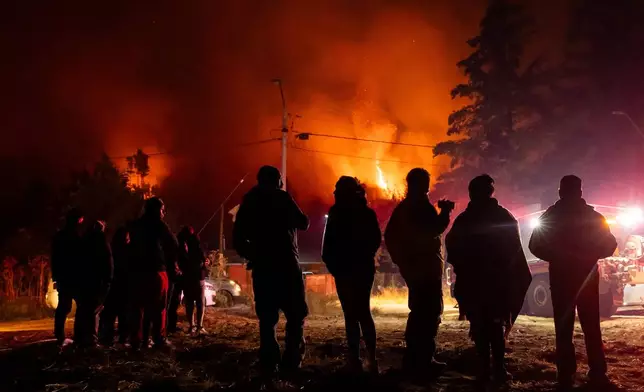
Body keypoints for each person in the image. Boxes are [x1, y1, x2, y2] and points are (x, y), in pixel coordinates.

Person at [529, 175, 617, 388]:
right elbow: (610, 245)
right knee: (591, 326)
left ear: (560, 192)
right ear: (580, 192)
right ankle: (597, 372)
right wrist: (589, 256)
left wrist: (557, 257)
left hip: (561, 277)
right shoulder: (594, 217)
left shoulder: (550, 216)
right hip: (587, 278)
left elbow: (534, 245)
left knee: (563, 327)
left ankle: (565, 375)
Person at [446, 175, 532, 384]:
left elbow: (453, 248)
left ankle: (485, 369)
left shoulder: (465, 219)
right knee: (496, 325)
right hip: (497, 284)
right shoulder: (504, 217)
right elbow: (514, 252)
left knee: (480, 326)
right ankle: (498, 369)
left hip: (475, 284)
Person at [233, 165, 309, 379]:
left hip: (264, 268)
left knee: (267, 317)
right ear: (277, 180)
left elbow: (238, 238)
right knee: (296, 313)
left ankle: (269, 360)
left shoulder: (250, 201)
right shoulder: (282, 198)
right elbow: (303, 223)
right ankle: (292, 359)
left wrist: (254, 255)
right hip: (286, 266)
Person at [384, 168, 455, 376]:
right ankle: (423, 360)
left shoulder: (403, 208)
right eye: (426, 182)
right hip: (426, 270)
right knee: (430, 313)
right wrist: (445, 212)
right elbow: (435, 229)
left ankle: (415, 358)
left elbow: (390, 237)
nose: (428, 186)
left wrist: (403, 262)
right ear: (421, 184)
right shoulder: (420, 207)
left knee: (418, 313)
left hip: (416, 270)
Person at [322, 176, 381, 373]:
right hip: (362, 268)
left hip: (346, 269)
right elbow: (375, 241)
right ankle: (370, 360)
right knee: (363, 313)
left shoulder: (337, 213)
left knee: (351, 315)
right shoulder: (366, 213)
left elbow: (327, 246)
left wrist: (335, 266)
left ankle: (355, 360)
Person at [129, 197, 179, 350]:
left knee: (139, 307)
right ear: (157, 210)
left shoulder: (135, 225)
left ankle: (138, 340)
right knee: (158, 306)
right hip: (156, 270)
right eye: (162, 209)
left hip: (137, 270)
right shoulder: (159, 225)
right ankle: (158, 338)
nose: (164, 212)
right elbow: (173, 244)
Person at [51, 208, 85, 346]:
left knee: (65, 306)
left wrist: (56, 276)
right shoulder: (75, 236)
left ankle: (61, 334)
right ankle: (75, 335)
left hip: (65, 276)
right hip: (72, 276)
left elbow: (55, 258)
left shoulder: (61, 236)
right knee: (77, 305)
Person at [76, 220, 113, 347]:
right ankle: (91, 339)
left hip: (84, 281)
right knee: (93, 310)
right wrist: (107, 281)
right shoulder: (102, 243)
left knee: (83, 309)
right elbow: (108, 265)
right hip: (96, 282)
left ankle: (80, 337)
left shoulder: (83, 242)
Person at [99, 226, 130, 346]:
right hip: (121, 286)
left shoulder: (111, 248)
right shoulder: (126, 251)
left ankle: (108, 338)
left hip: (113, 286)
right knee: (122, 313)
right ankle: (121, 338)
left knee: (111, 313)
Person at [178, 226, 209, 335]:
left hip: (187, 278)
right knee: (200, 302)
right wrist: (204, 263)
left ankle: (192, 326)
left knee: (190, 303)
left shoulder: (181, 245)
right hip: (197, 278)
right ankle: (199, 326)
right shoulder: (196, 244)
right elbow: (203, 259)